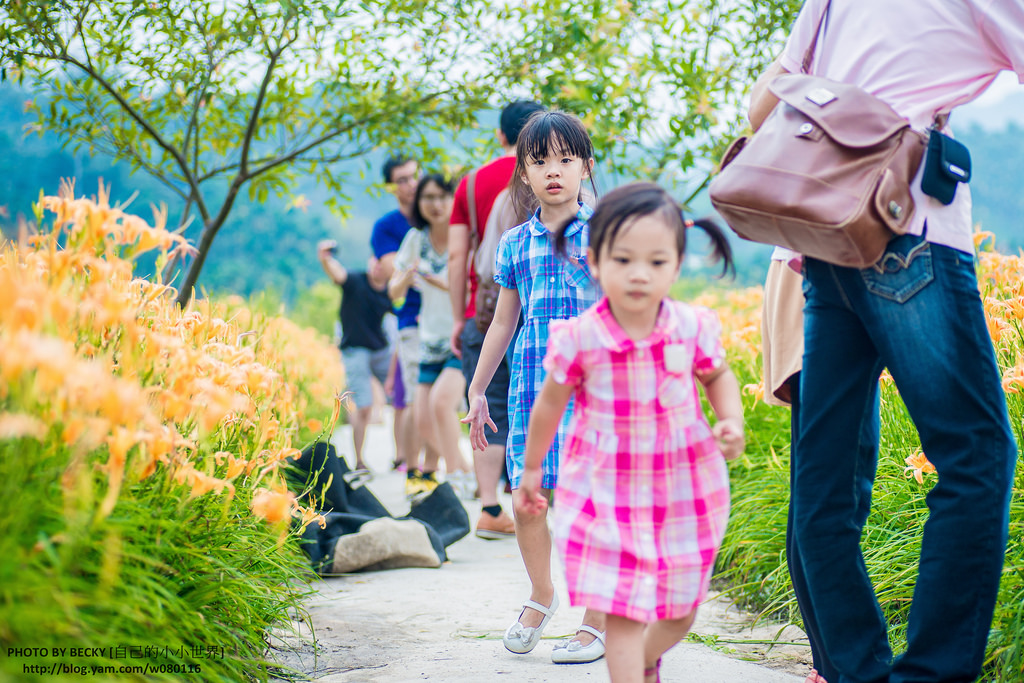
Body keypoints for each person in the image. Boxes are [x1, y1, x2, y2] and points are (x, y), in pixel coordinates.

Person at [749, 2, 1024, 681]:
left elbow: (762, 107)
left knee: (825, 476)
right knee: (976, 455)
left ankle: (855, 669)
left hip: (824, 240)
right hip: (907, 230)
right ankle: (928, 673)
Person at [517, 181, 743, 683]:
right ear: (594, 261)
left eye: (657, 263)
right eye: (623, 260)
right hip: (603, 490)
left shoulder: (691, 326)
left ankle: (643, 657)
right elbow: (549, 403)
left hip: (682, 487)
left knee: (681, 610)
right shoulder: (579, 337)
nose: (640, 275)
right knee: (618, 611)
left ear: (676, 266)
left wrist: (730, 419)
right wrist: (531, 468)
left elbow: (717, 375)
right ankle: (627, 664)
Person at [462, 110, 606, 664]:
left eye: (566, 159)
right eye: (540, 160)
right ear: (523, 172)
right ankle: (542, 595)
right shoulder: (515, 243)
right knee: (528, 501)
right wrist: (478, 391)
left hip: (591, 388)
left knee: (587, 502)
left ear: (585, 168)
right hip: (529, 385)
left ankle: (594, 622)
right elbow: (503, 321)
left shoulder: (602, 234)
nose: (553, 171)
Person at [448, 100, 546, 540]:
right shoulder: (560, 180)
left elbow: (458, 255)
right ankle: (540, 501)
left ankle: (490, 505)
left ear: (502, 135)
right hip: (545, 312)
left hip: (488, 308)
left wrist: (459, 315)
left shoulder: (472, 184)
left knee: (490, 407)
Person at [760, 251, 834, 683]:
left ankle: (828, 657)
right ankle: (833, 661)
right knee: (831, 486)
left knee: (818, 481)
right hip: (817, 270)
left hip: (801, 267)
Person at [389, 173, 474, 499]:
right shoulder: (415, 239)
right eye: (428, 198)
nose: (436, 205)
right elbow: (395, 291)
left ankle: (455, 477)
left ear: (454, 199)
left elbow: (471, 291)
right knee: (423, 420)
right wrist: (405, 278)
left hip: (459, 334)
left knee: (442, 403)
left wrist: (435, 279)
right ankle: (469, 471)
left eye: (442, 197)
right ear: (419, 204)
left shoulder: (465, 238)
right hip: (429, 339)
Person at [371, 155, 436, 494]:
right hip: (411, 320)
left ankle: (434, 469)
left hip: (447, 318)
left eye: (414, 176)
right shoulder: (387, 227)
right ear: (391, 186)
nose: (410, 184)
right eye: (402, 179)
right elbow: (392, 275)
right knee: (413, 397)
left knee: (442, 399)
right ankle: (414, 469)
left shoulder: (440, 213)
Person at [317, 244, 393, 474]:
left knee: (406, 396)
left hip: (381, 349)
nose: (378, 265)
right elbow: (337, 272)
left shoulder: (391, 290)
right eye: (375, 259)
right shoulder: (355, 281)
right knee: (364, 406)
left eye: (383, 261)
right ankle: (359, 460)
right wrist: (324, 258)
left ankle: (404, 458)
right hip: (355, 348)